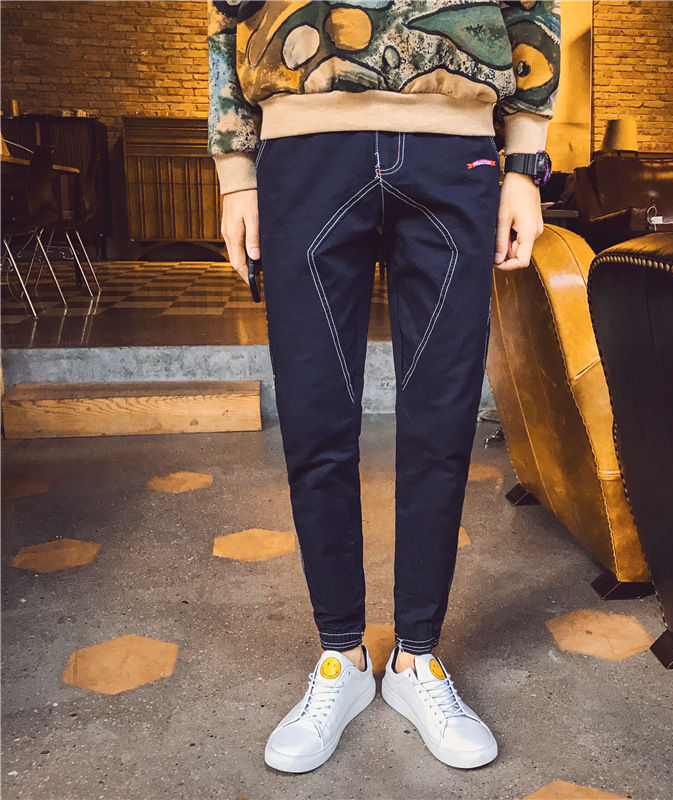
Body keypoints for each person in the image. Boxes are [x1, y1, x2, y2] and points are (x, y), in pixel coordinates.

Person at [208, 0, 560, 774]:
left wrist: (526, 163)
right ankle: (341, 655)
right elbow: (225, 11)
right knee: (313, 415)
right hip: (301, 144)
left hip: (455, 144)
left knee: (443, 418)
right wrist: (235, 170)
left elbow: (533, 8)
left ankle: (415, 659)